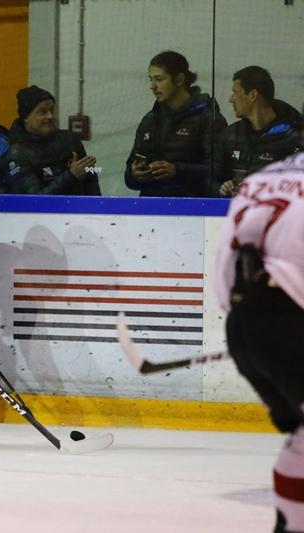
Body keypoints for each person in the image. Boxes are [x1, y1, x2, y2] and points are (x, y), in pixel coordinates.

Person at [213, 123, 304, 532]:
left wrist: (250, 321)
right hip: (290, 323)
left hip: (244, 326)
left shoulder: (261, 178)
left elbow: (223, 272)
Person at [125, 51, 227, 197]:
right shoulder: (149, 120)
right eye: (151, 79)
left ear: (179, 80)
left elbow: (219, 172)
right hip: (150, 206)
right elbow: (129, 177)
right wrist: (135, 174)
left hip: (192, 207)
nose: (152, 86)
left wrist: (177, 170)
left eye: (159, 79)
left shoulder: (208, 119)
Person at [214, 66, 302, 197]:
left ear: (253, 95)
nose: (231, 99)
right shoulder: (230, 134)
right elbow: (212, 179)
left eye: (235, 92)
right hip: (233, 207)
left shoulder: (293, 136)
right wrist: (222, 188)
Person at [0, 85, 101, 195]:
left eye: (52, 110)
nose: (50, 116)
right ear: (26, 117)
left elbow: (91, 175)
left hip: (79, 206)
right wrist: (70, 176)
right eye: (43, 112)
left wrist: (97, 204)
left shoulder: (70, 139)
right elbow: (33, 201)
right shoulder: (16, 155)